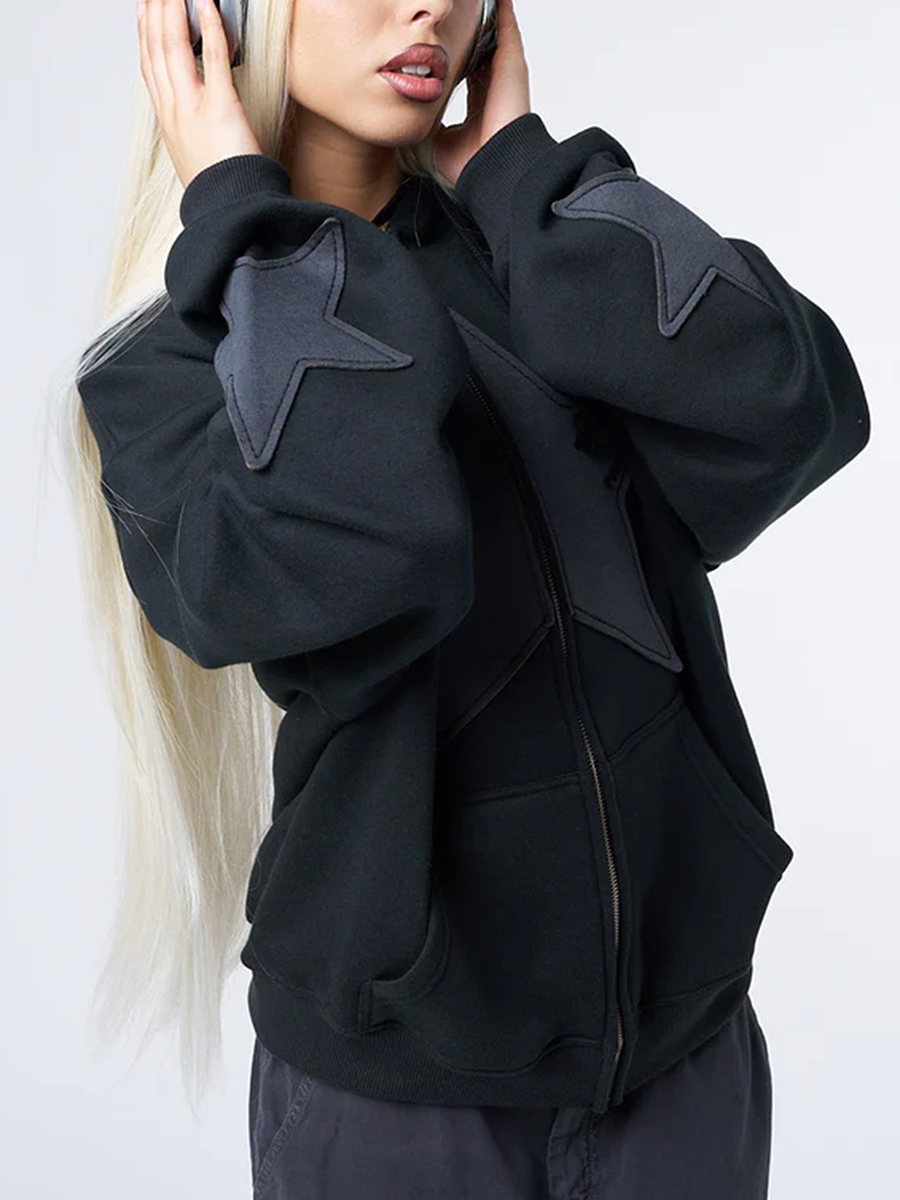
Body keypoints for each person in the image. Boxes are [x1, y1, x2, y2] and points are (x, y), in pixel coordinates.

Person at [64, 0, 870, 1195]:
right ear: (225, 18)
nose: (429, 6)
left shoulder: (534, 253)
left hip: (681, 1063)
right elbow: (372, 544)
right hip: (402, 1099)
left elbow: (795, 409)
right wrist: (252, 224)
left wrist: (525, 181)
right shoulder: (161, 368)